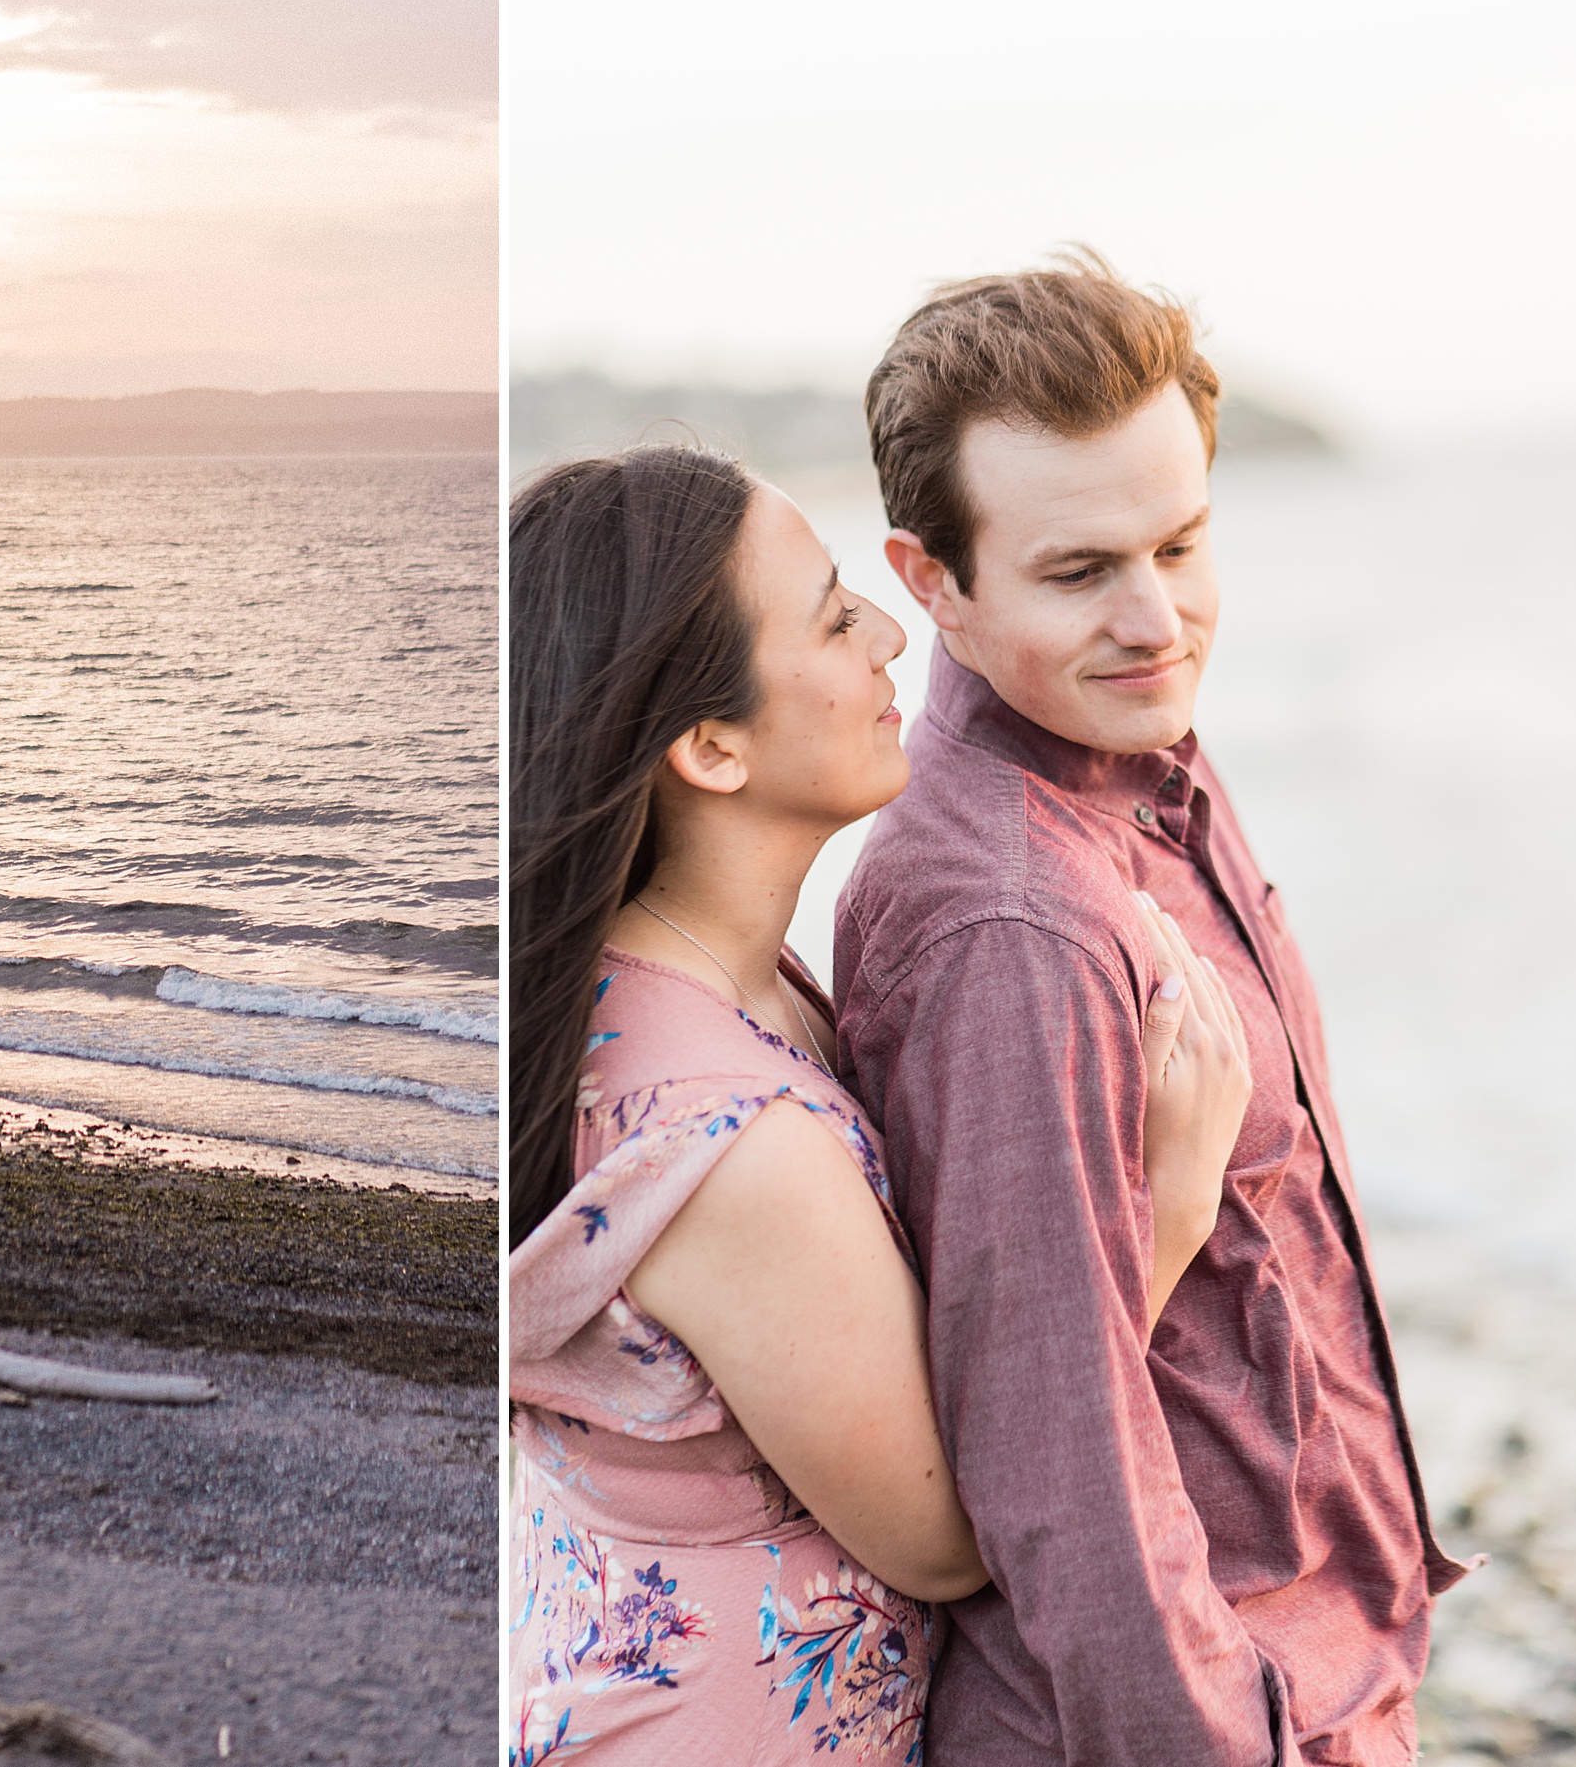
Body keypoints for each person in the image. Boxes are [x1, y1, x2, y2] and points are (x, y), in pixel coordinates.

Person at [507, 443, 1255, 1764]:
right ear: (711, 744)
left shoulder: (663, 988)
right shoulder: (737, 1151)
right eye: (837, 609)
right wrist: (1172, 1206)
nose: (891, 632)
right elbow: (954, 1531)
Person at [835, 254, 1465, 1764]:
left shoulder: (1149, 759)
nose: (1155, 618)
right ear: (933, 583)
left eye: (1181, 544)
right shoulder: (1015, 923)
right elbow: (1059, 1458)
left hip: (1326, 1670)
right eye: (1078, 571)